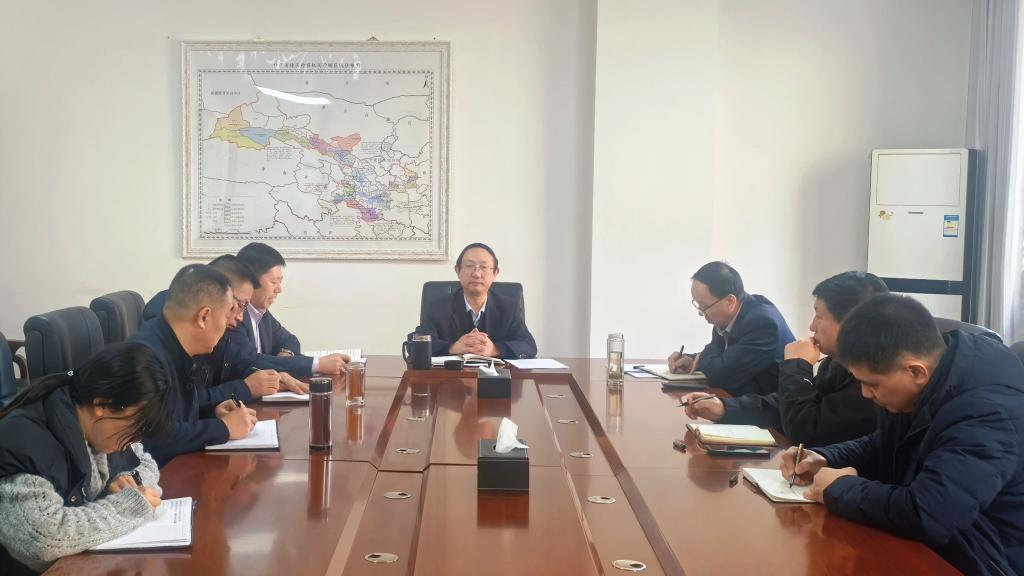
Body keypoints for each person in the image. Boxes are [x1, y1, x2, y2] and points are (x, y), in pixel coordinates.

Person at [780, 294, 1024, 575]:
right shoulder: (930, 381)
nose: (865, 394)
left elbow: (931, 513)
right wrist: (824, 456)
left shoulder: (988, 413)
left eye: (872, 384)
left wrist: (840, 488)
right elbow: (883, 444)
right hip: (934, 543)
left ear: (916, 372)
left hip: (980, 557)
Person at [0, 342, 171, 574]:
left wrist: (125, 480)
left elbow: (146, 463)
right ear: (101, 404)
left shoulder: (102, 428)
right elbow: (45, 538)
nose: (133, 441)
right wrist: (130, 506)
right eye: (133, 428)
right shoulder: (24, 444)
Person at [682, 271, 886, 446]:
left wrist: (797, 366)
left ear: (851, 324)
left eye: (819, 316)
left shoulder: (873, 382)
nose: (811, 326)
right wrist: (724, 408)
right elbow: (781, 405)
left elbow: (804, 431)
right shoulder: (838, 363)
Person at [133, 264, 258, 466]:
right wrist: (223, 428)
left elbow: (175, 415)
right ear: (203, 317)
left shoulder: (174, 344)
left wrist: (212, 412)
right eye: (226, 315)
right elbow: (153, 440)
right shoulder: (144, 359)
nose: (228, 325)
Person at [667, 261, 794, 396]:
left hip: (771, 405)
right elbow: (723, 356)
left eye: (703, 306)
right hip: (742, 398)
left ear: (730, 301)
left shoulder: (762, 323)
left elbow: (721, 376)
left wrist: (702, 356)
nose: (700, 312)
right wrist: (693, 360)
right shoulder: (729, 316)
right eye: (697, 304)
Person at [235, 242, 349, 375]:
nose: (279, 289)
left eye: (280, 282)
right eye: (274, 282)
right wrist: (318, 364)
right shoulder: (234, 316)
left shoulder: (261, 313)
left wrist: (286, 354)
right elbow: (251, 362)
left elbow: (289, 339)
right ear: (250, 280)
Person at [415, 242, 537, 359]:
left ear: (495, 273)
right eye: (469, 266)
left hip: (497, 373)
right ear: (458, 270)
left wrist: (495, 349)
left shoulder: (508, 307)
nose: (477, 274)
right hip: (451, 374)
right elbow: (415, 343)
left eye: (484, 267)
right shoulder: (438, 307)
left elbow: (528, 345)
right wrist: (452, 348)